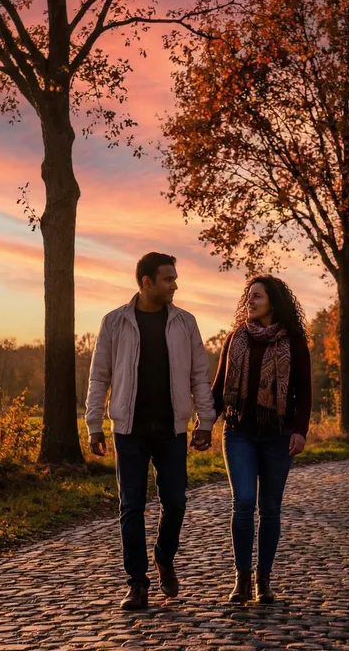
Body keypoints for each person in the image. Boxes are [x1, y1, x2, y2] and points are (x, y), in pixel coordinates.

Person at [85, 252, 216, 610]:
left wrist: (205, 421)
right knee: (131, 506)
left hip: (172, 428)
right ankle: (137, 583)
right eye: (168, 279)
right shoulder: (114, 322)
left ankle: (163, 555)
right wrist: (93, 424)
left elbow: (199, 377)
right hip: (129, 430)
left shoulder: (186, 323)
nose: (175, 285)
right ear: (146, 282)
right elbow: (100, 376)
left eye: (174, 278)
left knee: (175, 501)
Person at [212, 274, 312, 604]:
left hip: (277, 435)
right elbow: (218, 389)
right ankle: (241, 579)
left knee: (269, 508)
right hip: (239, 432)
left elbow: (304, 391)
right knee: (243, 502)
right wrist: (203, 426)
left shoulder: (294, 341)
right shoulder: (235, 338)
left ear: (274, 301)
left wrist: (300, 430)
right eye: (249, 296)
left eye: (258, 296)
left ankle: (263, 580)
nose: (250, 301)